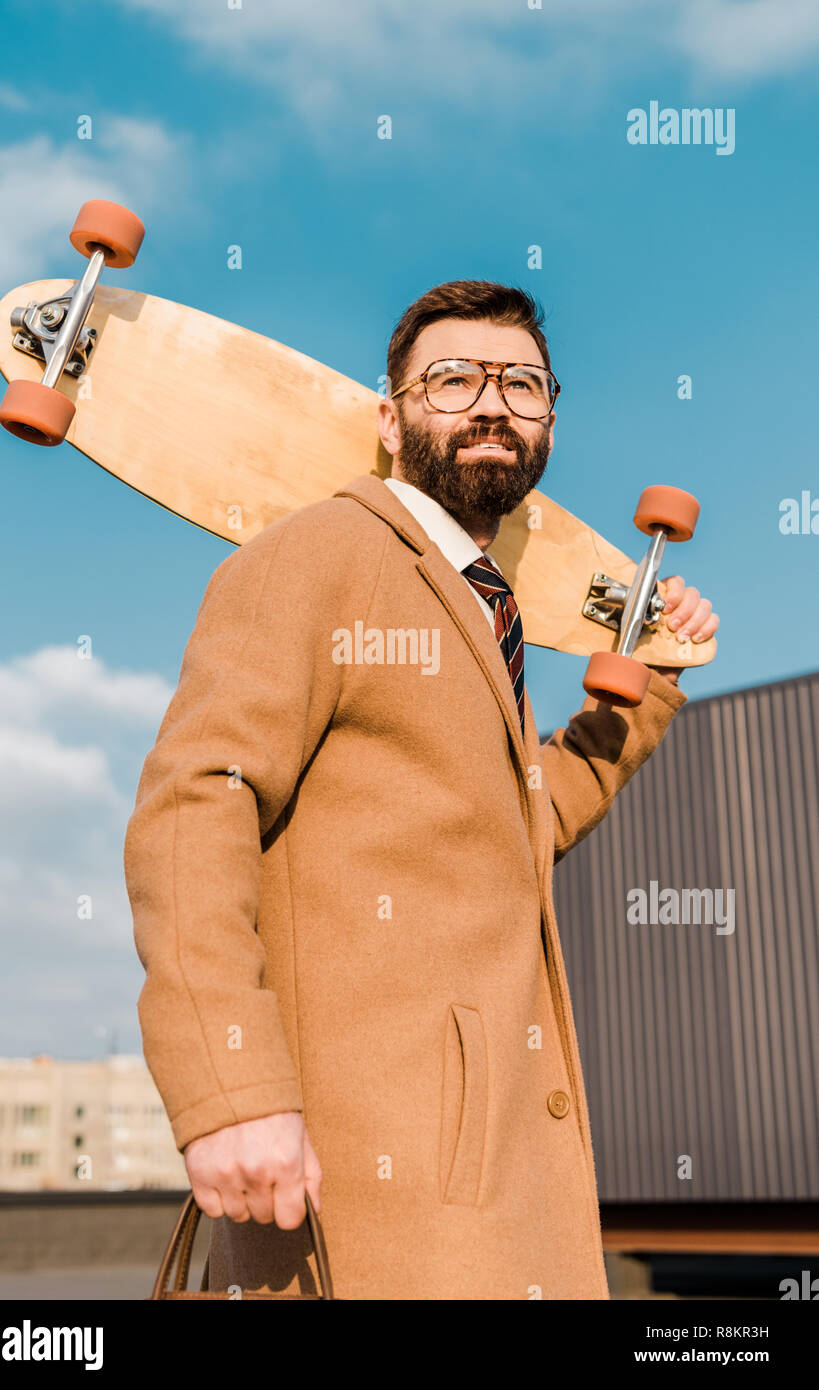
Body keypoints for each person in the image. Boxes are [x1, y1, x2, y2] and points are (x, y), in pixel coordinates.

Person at [125, 280, 718, 1300]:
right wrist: (230, 1087)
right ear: (391, 420)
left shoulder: (486, 614)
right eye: (454, 379)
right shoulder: (319, 553)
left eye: (522, 385)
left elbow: (525, 820)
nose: (492, 403)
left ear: (549, 423)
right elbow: (197, 799)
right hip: (365, 1190)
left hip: (497, 1180)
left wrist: (652, 681)